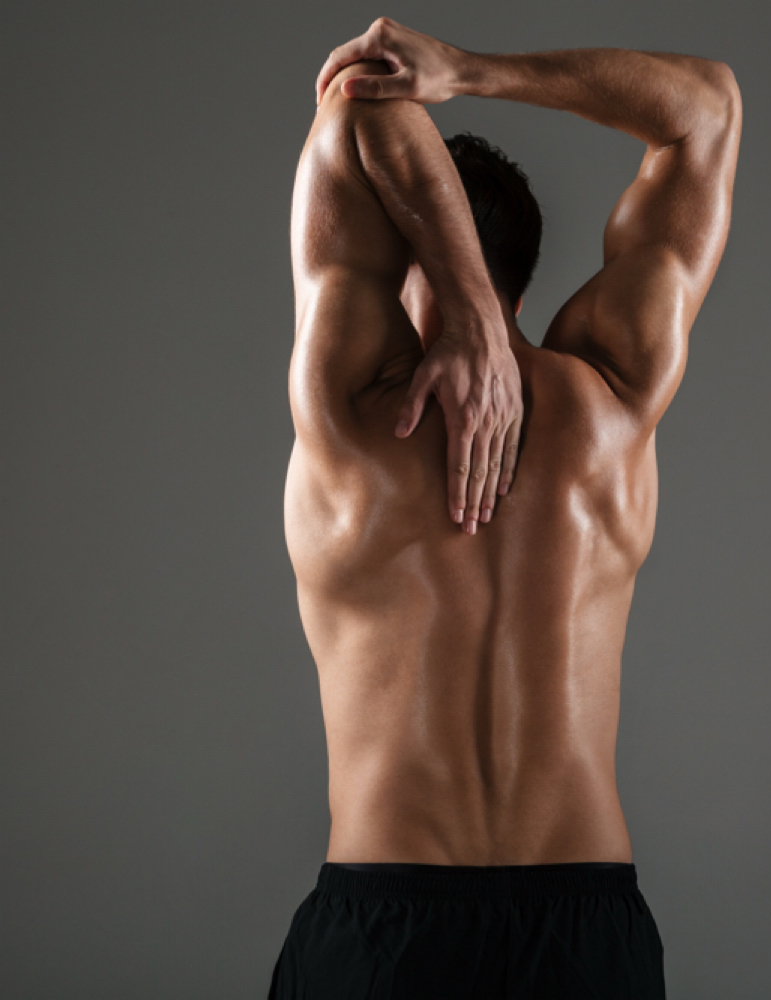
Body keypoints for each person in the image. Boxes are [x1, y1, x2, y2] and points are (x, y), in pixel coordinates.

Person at [269, 18, 740, 999]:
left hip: (384, 925)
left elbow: (358, 95)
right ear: (521, 268)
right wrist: (470, 74)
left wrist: (459, 299)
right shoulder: (613, 399)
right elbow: (704, 109)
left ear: (401, 247)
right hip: (584, 928)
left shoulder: (354, 416)